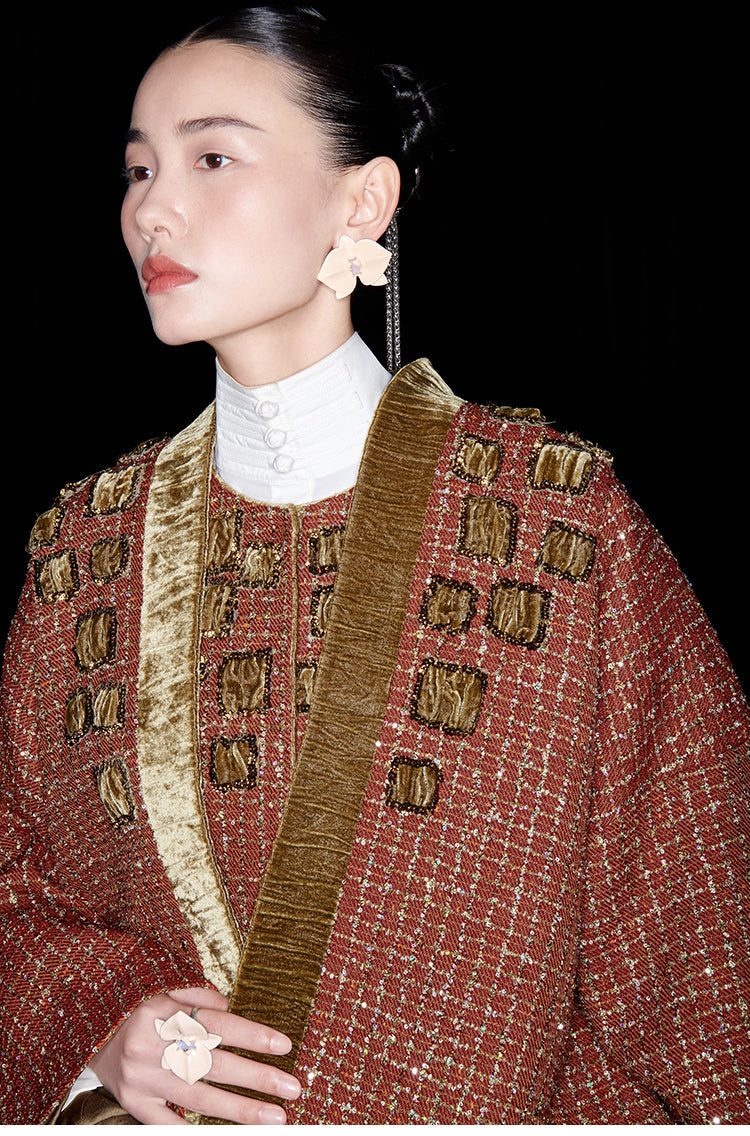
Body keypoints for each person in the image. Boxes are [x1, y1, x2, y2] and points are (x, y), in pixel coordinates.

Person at [1, 4, 748, 1126]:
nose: (152, 206)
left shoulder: (557, 525)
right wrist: (101, 1029)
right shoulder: (84, 549)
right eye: (138, 168)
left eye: (212, 158)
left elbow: (698, 929)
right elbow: (20, 884)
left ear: (364, 201)